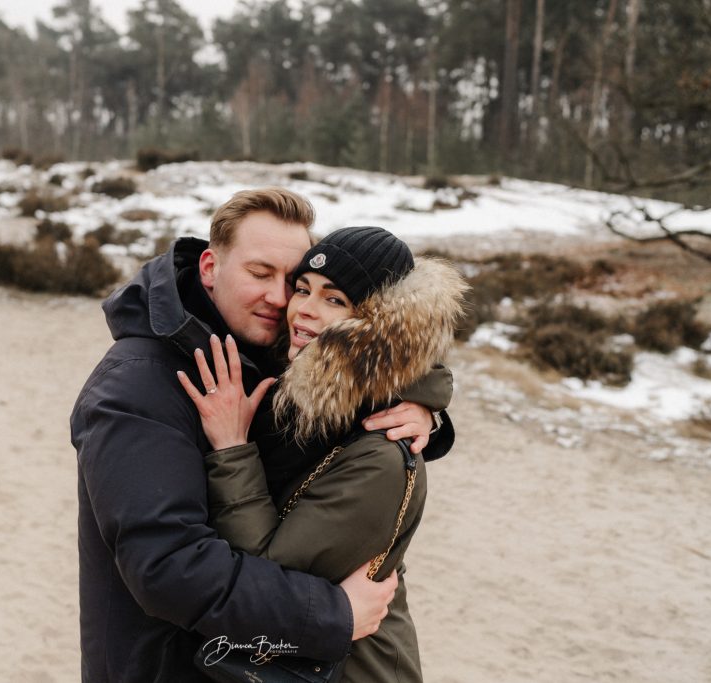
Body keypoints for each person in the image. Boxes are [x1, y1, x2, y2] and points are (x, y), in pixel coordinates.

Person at [71, 189, 454, 682]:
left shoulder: (270, 352)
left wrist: (421, 403)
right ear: (210, 267)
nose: (282, 300)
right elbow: (168, 569)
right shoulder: (138, 389)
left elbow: (373, 356)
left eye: (291, 281)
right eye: (260, 273)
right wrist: (335, 613)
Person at [177, 226, 467, 681]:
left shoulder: (380, 453)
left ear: (376, 325)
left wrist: (231, 447)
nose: (303, 309)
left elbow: (266, 574)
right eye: (303, 289)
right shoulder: (301, 388)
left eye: (334, 299)